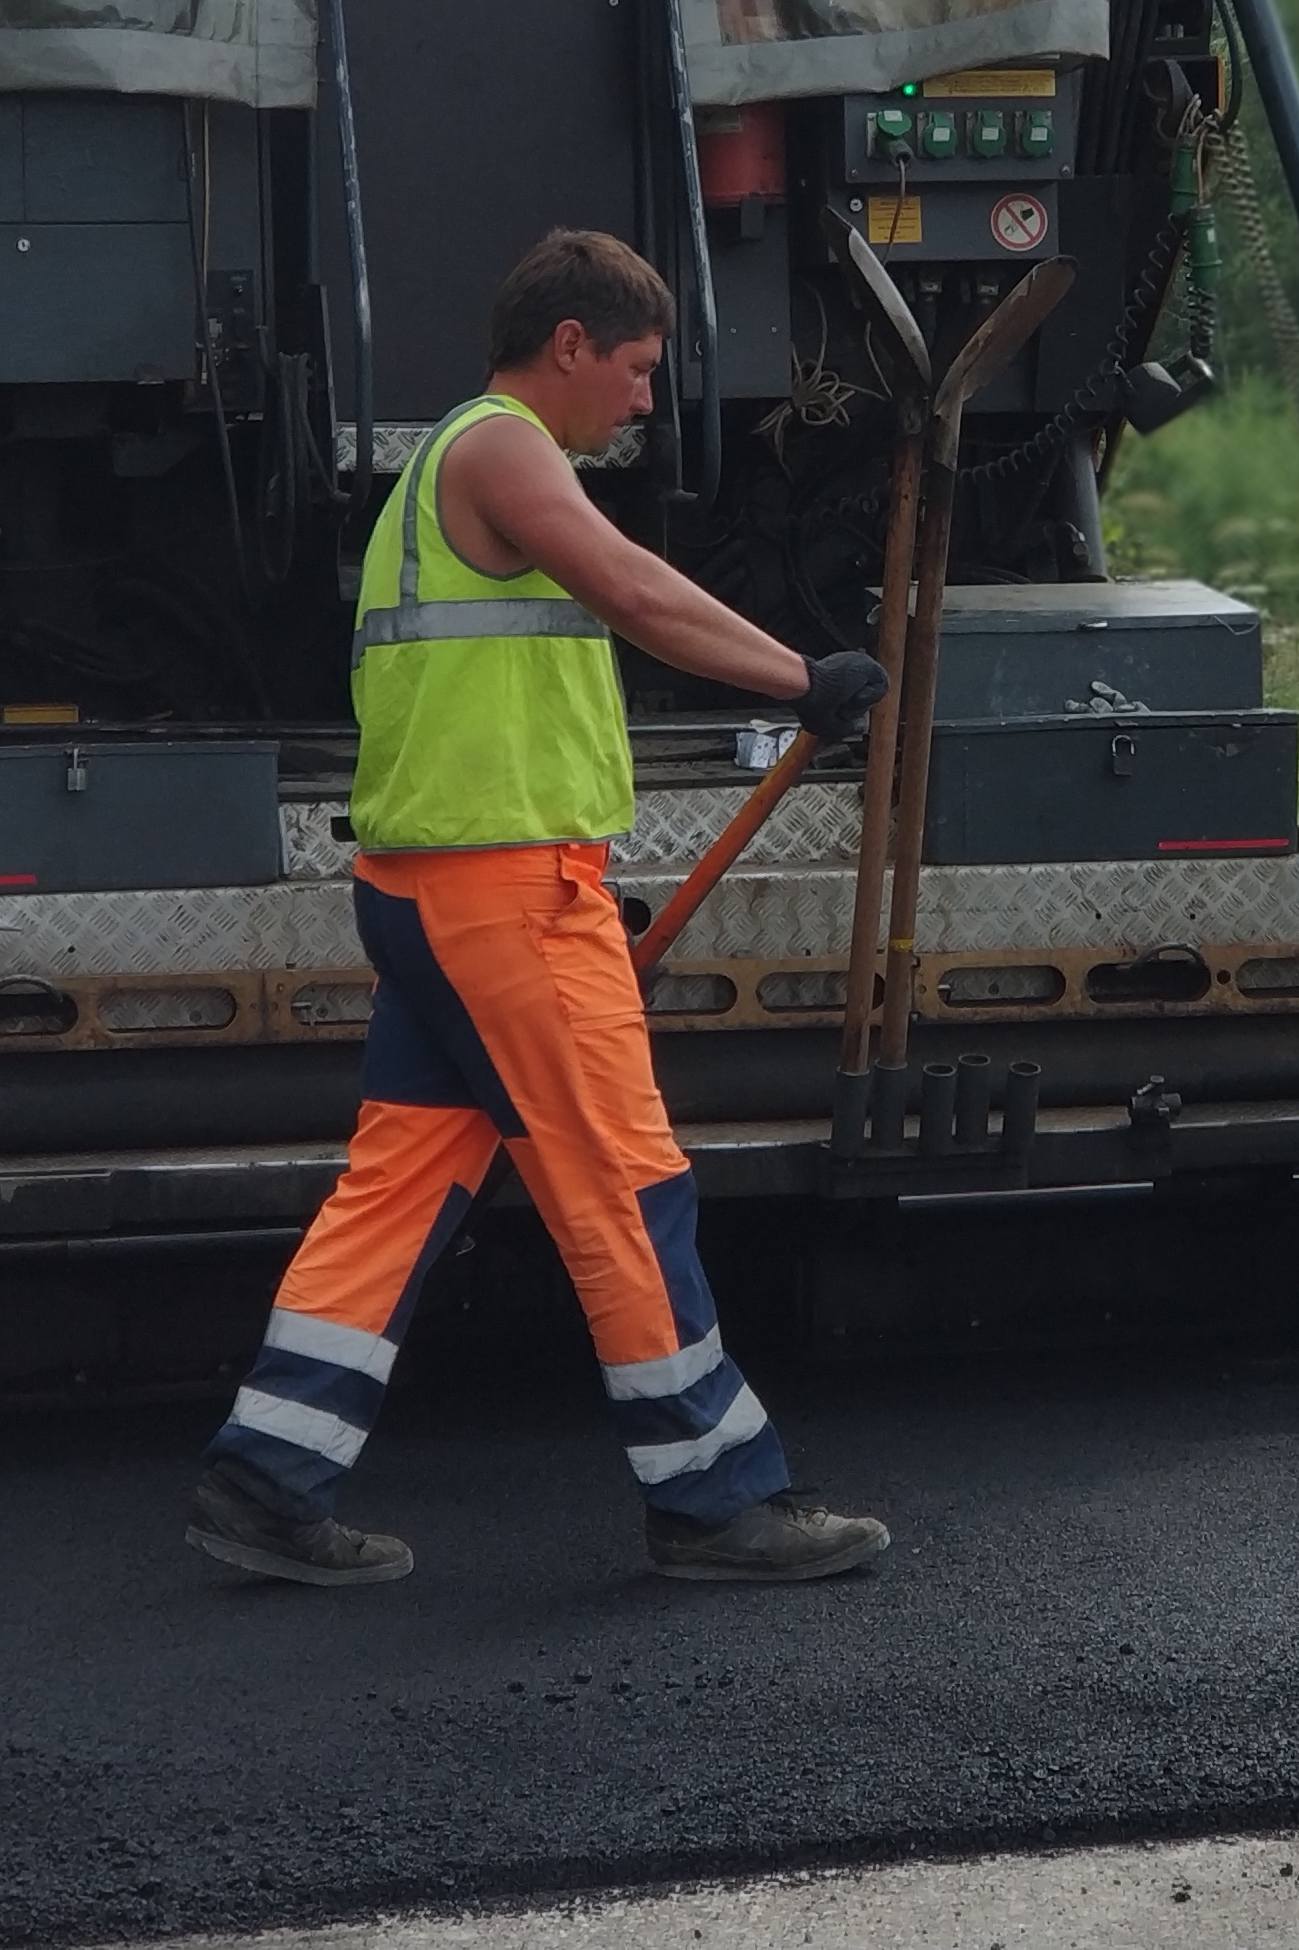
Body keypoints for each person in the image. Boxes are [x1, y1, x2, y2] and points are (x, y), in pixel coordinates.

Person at [189, 231, 894, 1587]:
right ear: (566, 345)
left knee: (395, 1195)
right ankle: (716, 1499)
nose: (643, 401)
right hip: (506, 903)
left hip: (430, 896)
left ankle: (267, 1477)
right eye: (633, 370)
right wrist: (801, 677)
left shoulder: (460, 470)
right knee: (628, 1191)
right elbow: (632, 591)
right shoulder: (504, 449)